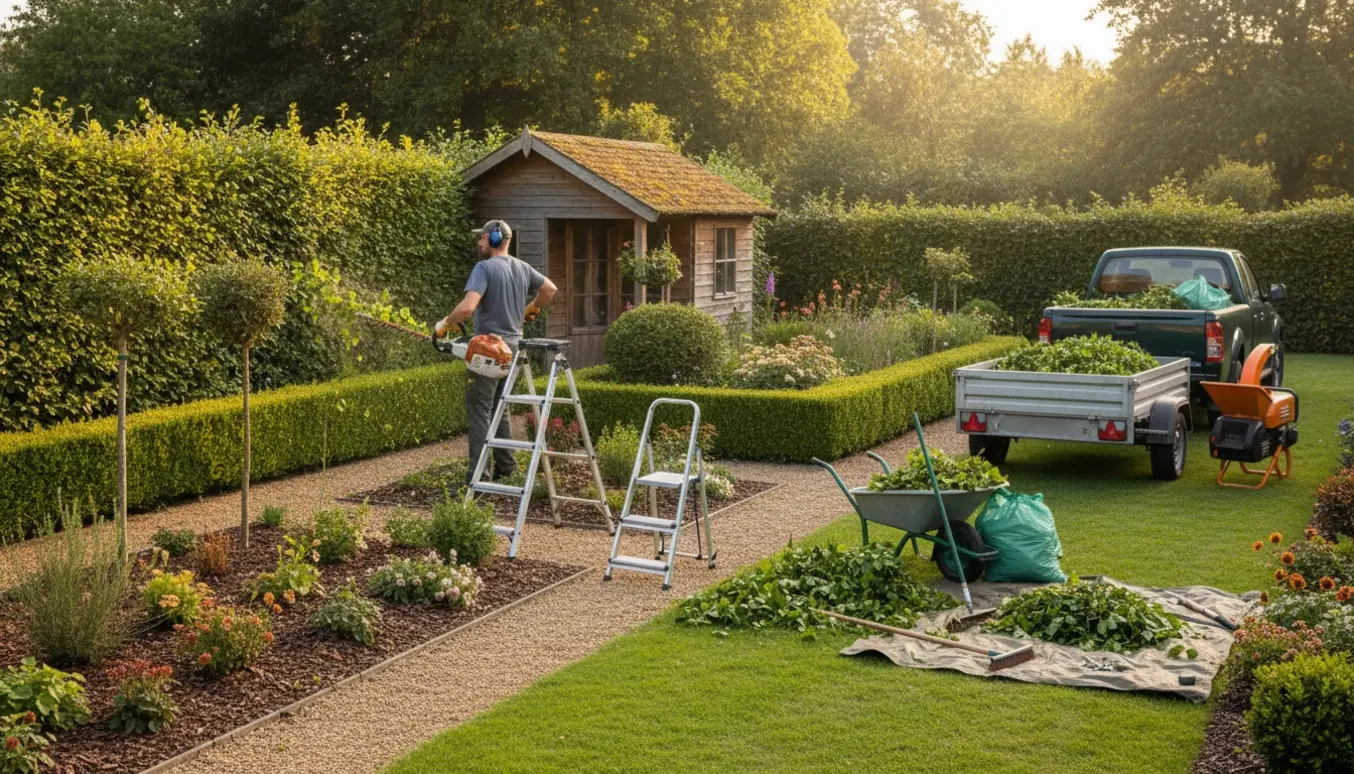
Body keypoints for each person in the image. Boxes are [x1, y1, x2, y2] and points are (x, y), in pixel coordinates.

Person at [435, 220, 557, 485]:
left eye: (482, 238)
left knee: (479, 408)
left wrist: (445, 323)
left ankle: (478, 477)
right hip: (513, 346)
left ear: (493, 239)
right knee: (500, 406)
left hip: (489, 348)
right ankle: (507, 467)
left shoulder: (484, 268)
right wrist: (533, 307)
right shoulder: (523, 267)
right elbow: (550, 289)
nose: (479, 242)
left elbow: (467, 309)